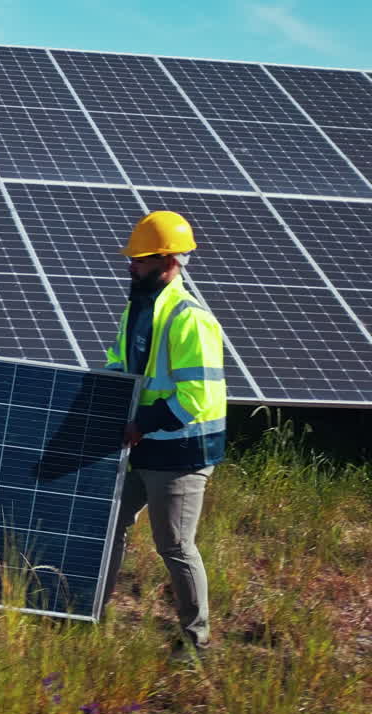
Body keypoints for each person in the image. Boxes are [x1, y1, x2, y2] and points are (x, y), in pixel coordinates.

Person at [100, 210, 227, 659]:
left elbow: (198, 397)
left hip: (182, 451)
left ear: (169, 260)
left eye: (140, 260)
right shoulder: (139, 308)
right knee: (107, 524)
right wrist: (108, 395)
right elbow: (120, 362)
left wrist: (143, 423)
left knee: (173, 544)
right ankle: (91, 610)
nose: (130, 267)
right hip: (143, 445)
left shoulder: (189, 319)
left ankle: (197, 641)